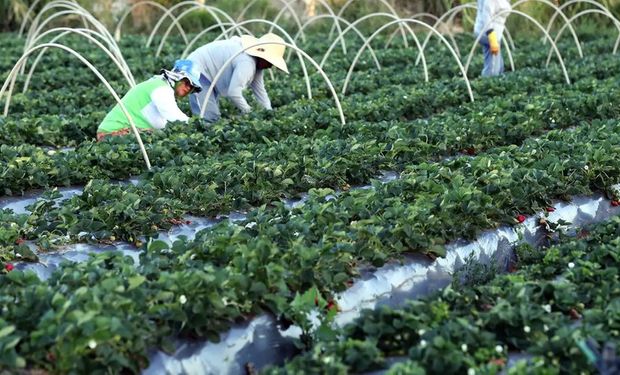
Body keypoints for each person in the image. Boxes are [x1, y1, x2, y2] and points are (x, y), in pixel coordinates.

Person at [185, 33, 289, 123]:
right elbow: (233, 93)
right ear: (262, 56)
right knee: (208, 118)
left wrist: (268, 113)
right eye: (270, 62)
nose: (271, 66)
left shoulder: (257, 65)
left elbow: (260, 91)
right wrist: (249, 112)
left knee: (211, 116)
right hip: (196, 69)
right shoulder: (247, 63)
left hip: (208, 72)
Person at [96, 59, 201, 141]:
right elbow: (174, 117)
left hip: (117, 131)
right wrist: (197, 126)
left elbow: (161, 122)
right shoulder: (161, 88)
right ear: (177, 77)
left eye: (192, 87)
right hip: (113, 133)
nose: (188, 88)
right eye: (187, 83)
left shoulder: (159, 84)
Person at [474, 0, 512, 77]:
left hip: (492, 33)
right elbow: (486, 16)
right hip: (488, 33)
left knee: (497, 64)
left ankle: (495, 81)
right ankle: (488, 84)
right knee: (493, 68)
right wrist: (491, 35)